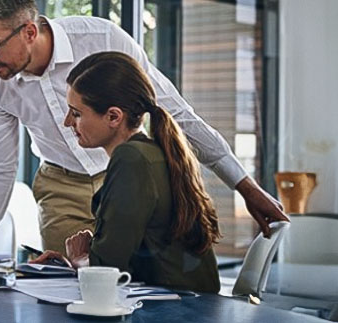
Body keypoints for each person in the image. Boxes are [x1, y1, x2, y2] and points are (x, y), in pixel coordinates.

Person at [0, 0, 287, 261]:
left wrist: (246, 188)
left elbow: (176, 113)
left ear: (28, 32)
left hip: (122, 179)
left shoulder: (102, 40)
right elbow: (1, 165)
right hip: (60, 186)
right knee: (70, 288)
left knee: (133, 285)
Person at [32, 51, 220, 292]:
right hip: (189, 303)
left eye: (77, 113)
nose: (68, 122)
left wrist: (80, 258)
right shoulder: (151, 152)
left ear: (113, 117)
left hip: (172, 310)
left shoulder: (131, 159)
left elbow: (108, 270)